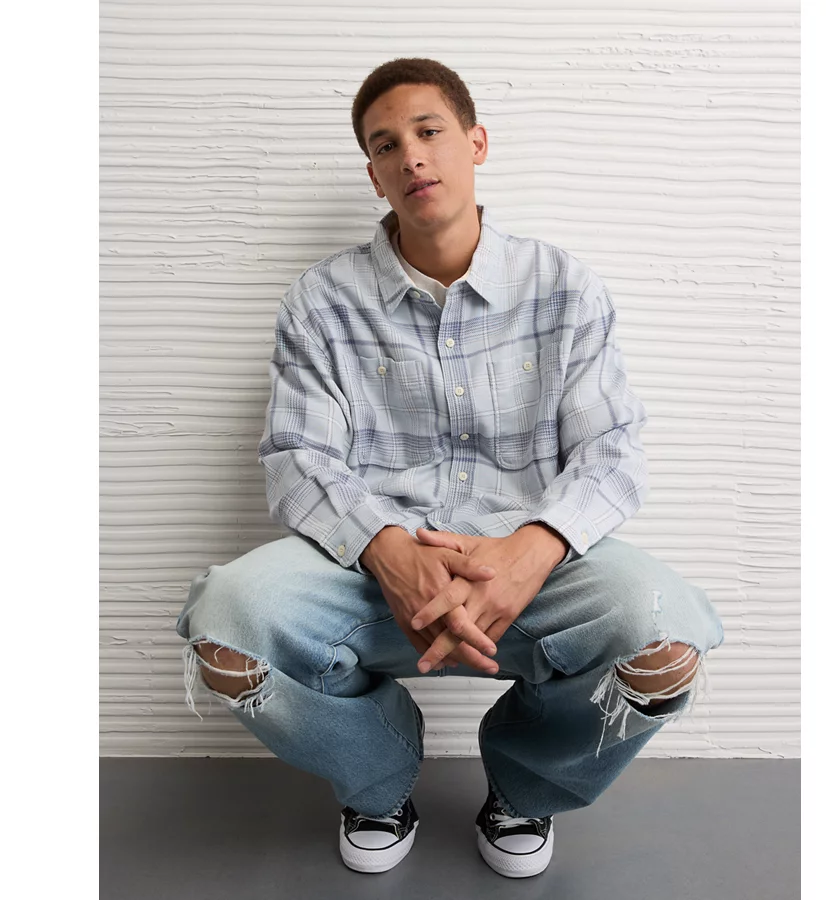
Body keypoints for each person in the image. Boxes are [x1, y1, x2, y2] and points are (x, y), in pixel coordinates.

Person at [176, 56, 725, 879]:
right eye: (385, 145)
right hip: (368, 575)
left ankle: (526, 788)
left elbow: (612, 451)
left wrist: (531, 549)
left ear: (476, 142)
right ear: (374, 174)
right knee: (224, 627)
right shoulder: (320, 302)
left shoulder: (563, 287)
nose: (411, 156)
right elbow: (298, 458)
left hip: (536, 572)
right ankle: (377, 777)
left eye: (428, 131)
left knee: (665, 640)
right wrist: (389, 551)